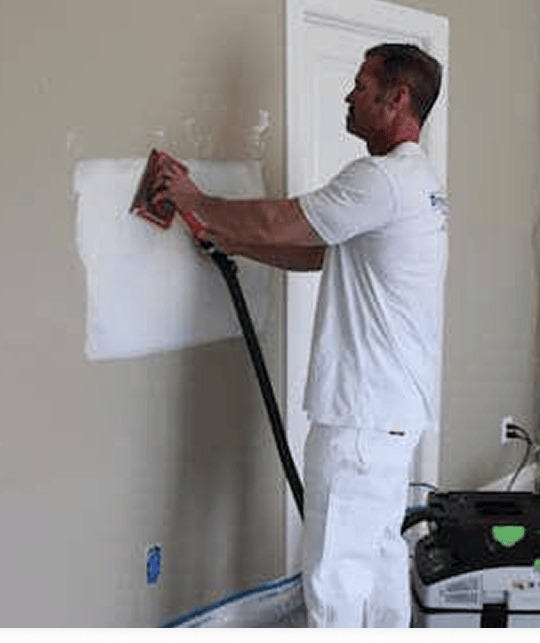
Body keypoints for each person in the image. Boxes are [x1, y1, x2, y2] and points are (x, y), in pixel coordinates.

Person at [152, 43, 447, 628]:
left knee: (336, 574)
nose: (349, 94)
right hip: (393, 415)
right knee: (383, 555)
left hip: (360, 419)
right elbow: (320, 253)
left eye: (361, 85)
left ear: (399, 97)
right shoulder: (419, 182)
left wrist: (197, 202)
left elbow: (279, 219)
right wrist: (233, 243)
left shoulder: (380, 179)